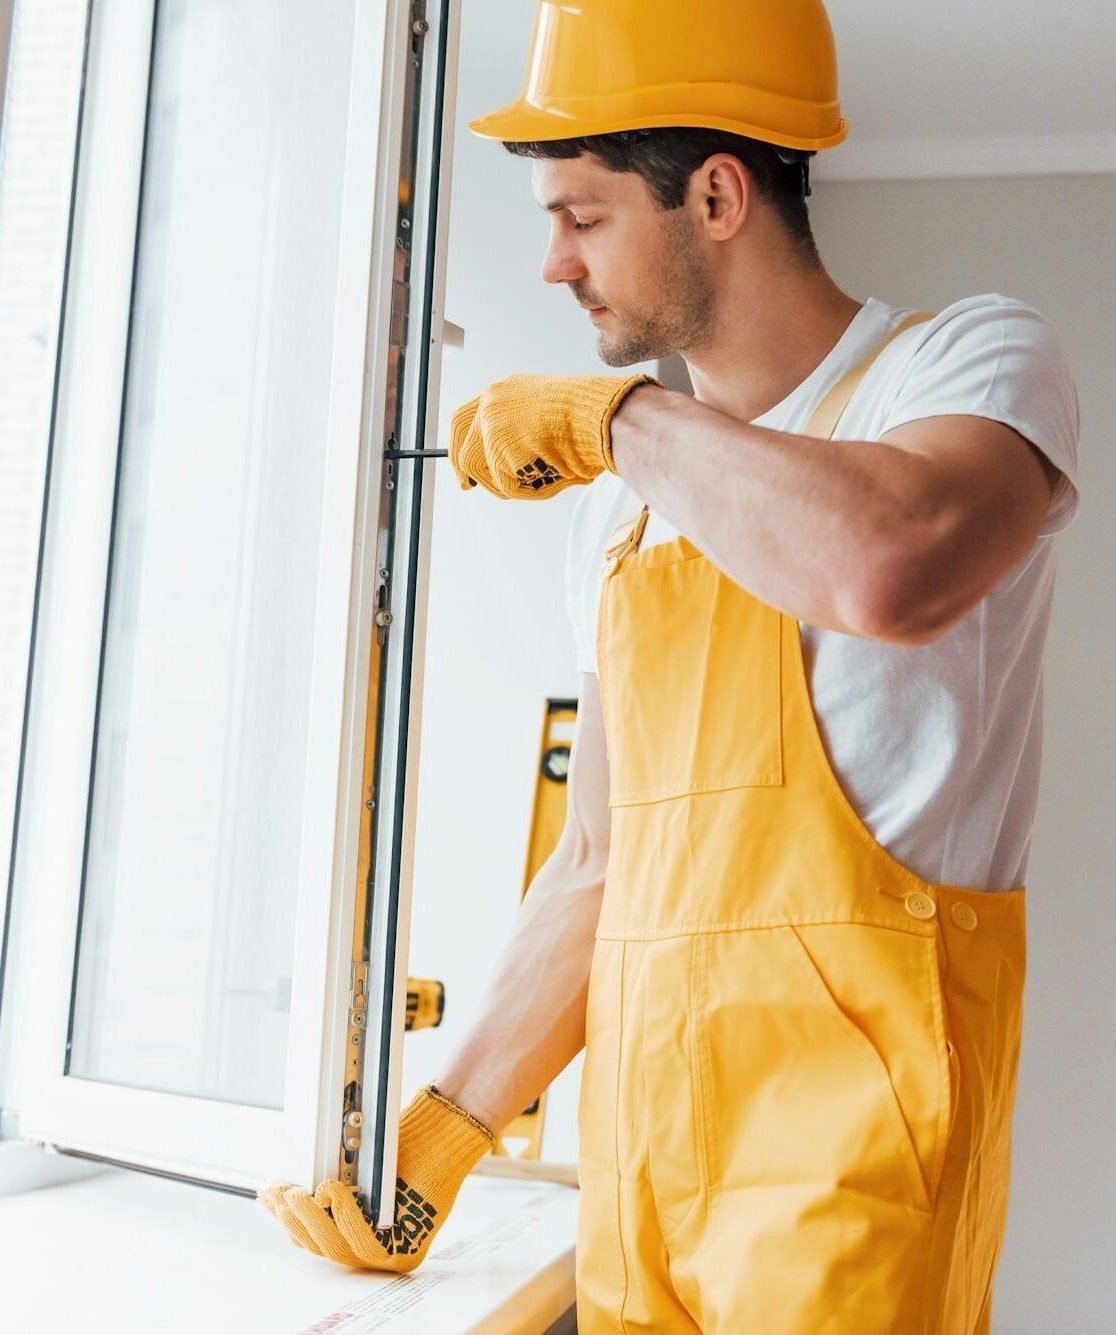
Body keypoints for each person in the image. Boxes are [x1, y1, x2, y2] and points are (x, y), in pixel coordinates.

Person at [259, 2, 1080, 1328]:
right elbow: (598, 863)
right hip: (641, 1191)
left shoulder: (958, 364)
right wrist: (435, 1143)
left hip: (846, 1195)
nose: (551, 264)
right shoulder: (622, 507)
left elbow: (893, 563)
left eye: (580, 217)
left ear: (715, 194)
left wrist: (617, 422)